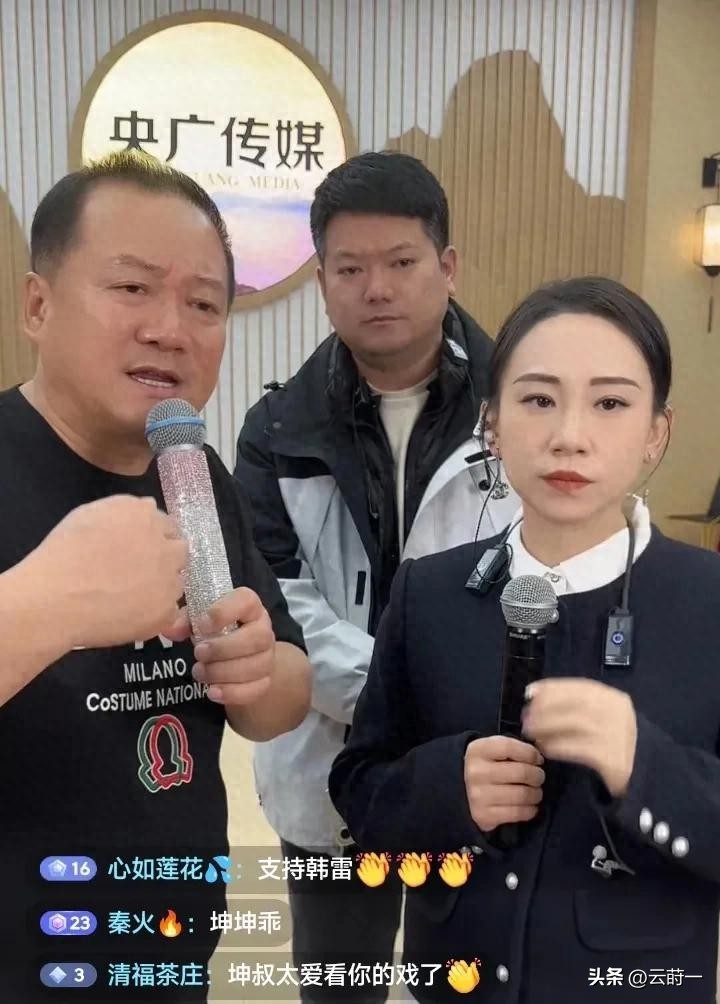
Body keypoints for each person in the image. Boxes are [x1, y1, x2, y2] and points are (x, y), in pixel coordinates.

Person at [330, 276, 720, 1003]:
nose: (569, 435)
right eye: (538, 400)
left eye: (610, 403)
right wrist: (446, 788)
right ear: (493, 425)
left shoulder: (709, 601)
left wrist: (646, 767)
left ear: (656, 433)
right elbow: (360, 789)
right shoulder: (428, 592)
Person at [0, 150, 310, 1003]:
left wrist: (259, 671)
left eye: (204, 304)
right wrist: (50, 605)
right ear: (38, 305)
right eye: (132, 288)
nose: (171, 328)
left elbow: (279, 696)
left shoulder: (195, 474)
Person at [234, 151, 518, 998]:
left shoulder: (522, 407)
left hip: (475, 765)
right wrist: (397, 697)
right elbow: (280, 601)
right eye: (351, 269)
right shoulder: (276, 429)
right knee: (338, 982)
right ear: (323, 280)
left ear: (447, 266)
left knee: (469, 980)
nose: (377, 289)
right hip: (329, 769)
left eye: (401, 262)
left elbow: (541, 569)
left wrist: (449, 706)